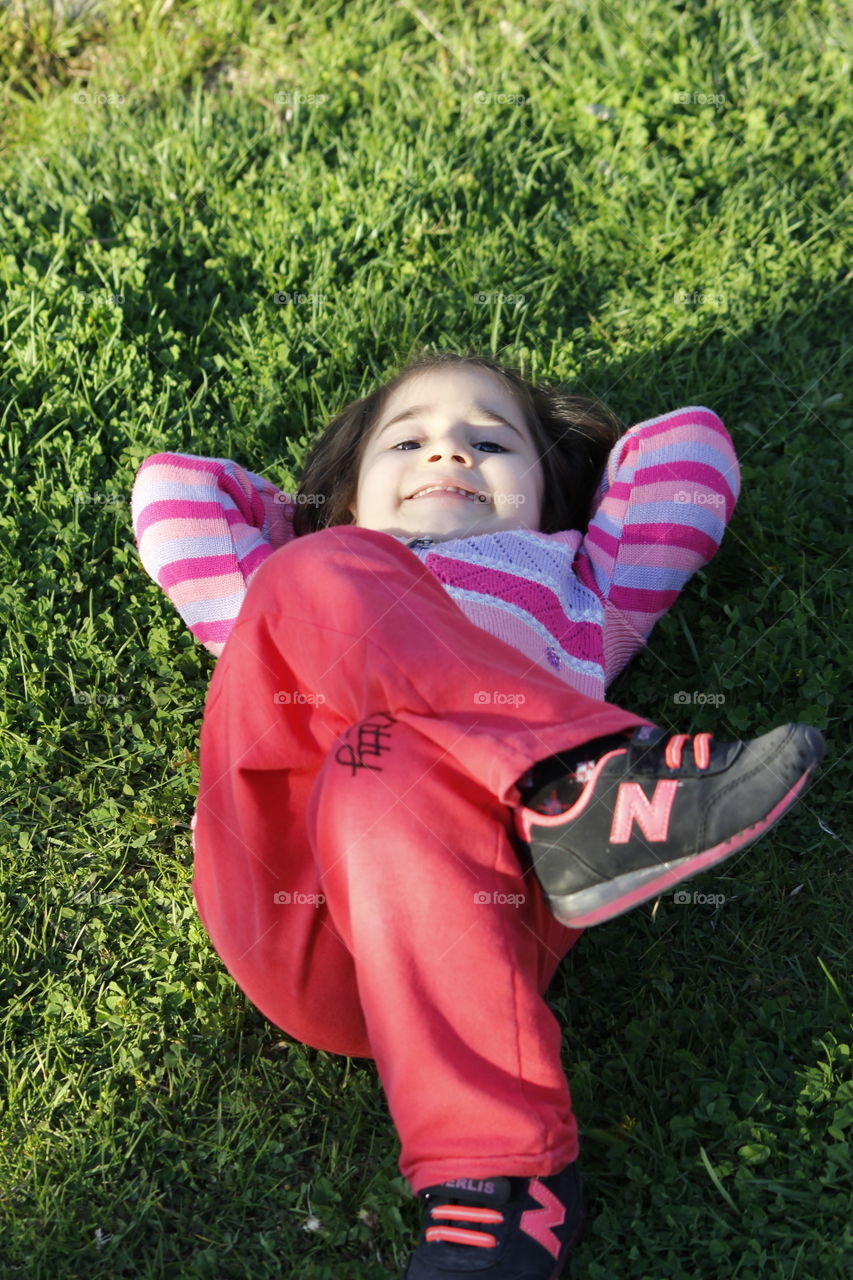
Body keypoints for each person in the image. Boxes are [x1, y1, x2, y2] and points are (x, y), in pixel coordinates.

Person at [130, 350, 824, 1279]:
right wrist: (321, 522)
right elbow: (174, 488)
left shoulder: (578, 588)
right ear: (345, 489)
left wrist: (574, 470)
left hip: (480, 915)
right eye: (407, 442)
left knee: (384, 769)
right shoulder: (288, 585)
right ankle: (580, 777)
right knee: (318, 584)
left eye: (490, 444)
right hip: (293, 914)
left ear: (554, 498)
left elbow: (686, 449)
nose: (448, 457)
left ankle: (501, 1184)